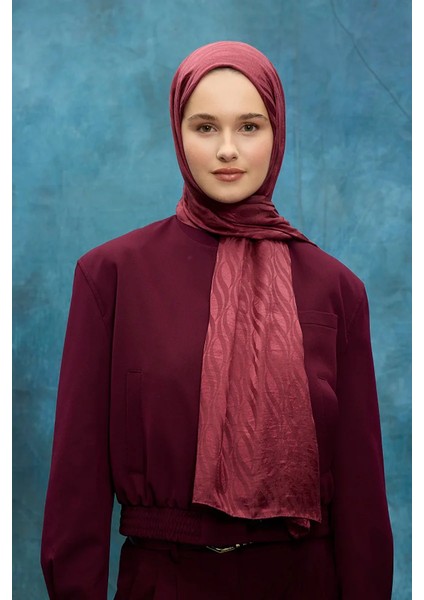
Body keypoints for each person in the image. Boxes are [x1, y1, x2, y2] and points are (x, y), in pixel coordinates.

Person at [40, 41, 393, 599]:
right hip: (164, 581)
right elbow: (76, 484)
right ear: (178, 135)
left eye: (249, 126)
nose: (228, 150)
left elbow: (361, 497)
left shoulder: (336, 290)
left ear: (277, 132)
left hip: (302, 581)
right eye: (205, 127)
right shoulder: (110, 276)